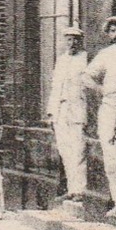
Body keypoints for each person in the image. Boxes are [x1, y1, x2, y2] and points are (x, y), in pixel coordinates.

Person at [85, 16, 116, 218]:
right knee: (112, 156)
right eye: (112, 31)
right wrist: (101, 89)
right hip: (111, 107)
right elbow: (86, 77)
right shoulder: (106, 54)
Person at [46, 26, 90, 201]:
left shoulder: (86, 59)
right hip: (60, 110)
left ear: (81, 41)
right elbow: (55, 87)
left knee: (78, 150)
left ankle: (81, 190)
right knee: (65, 150)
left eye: (76, 39)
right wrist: (51, 112)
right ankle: (72, 189)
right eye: (69, 40)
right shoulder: (61, 60)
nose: (72, 43)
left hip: (78, 108)